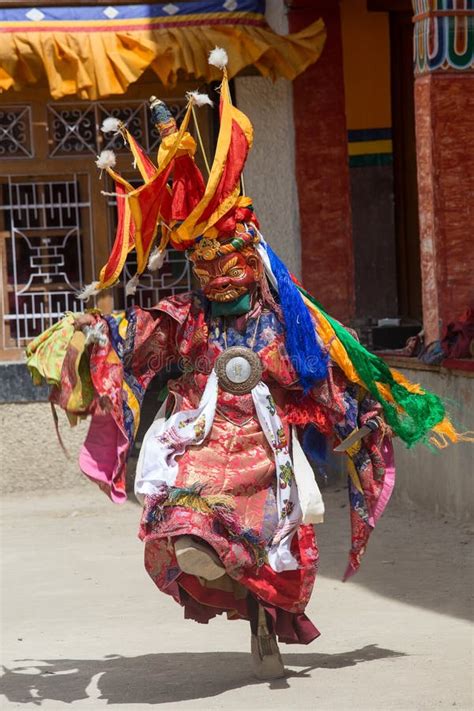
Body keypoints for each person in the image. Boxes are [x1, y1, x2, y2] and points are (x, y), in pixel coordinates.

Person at [26, 48, 464, 680]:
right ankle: (215, 572)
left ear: (251, 254)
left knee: (269, 535)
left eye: (227, 258)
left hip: (264, 444)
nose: (217, 273)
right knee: (184, 522)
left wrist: (358, 419)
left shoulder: (287, 319)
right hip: (200, 438)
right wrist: (90, 334)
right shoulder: (189, 316)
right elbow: (136, 334)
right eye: (204, 265)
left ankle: (266, 612)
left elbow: (327, 376)